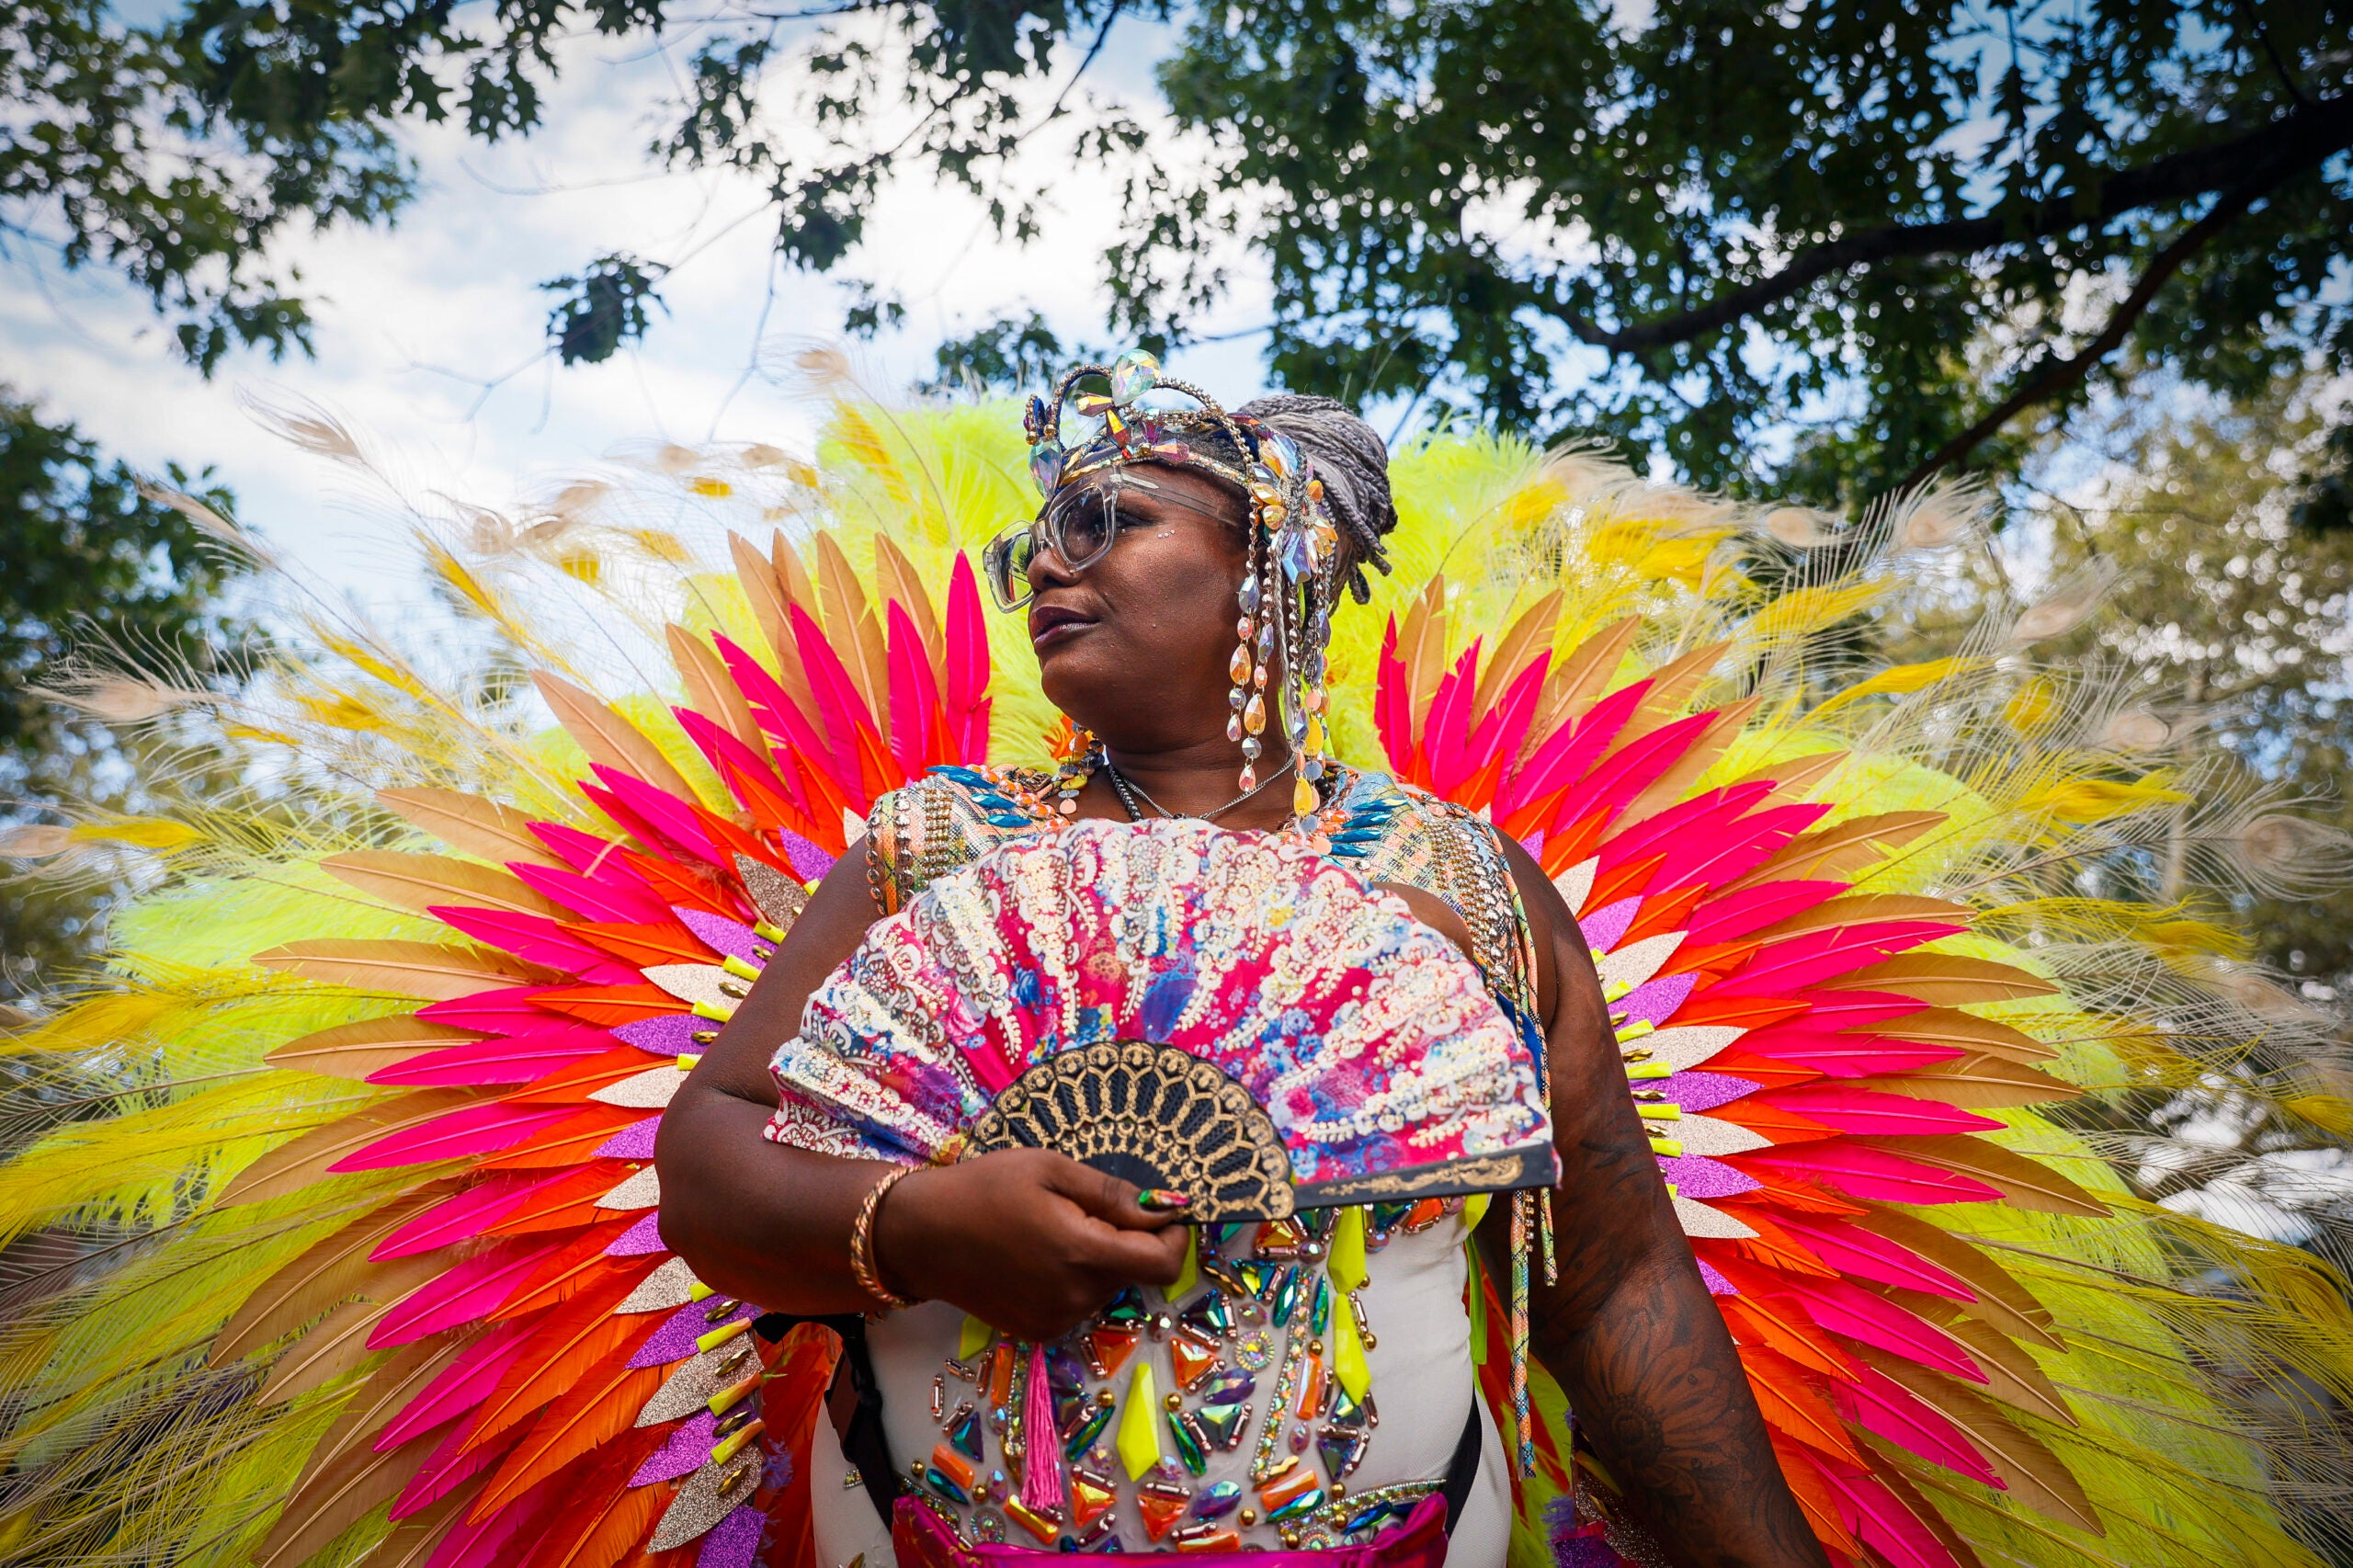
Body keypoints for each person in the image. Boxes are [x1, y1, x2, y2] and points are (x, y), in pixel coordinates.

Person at [655, 359, 1829, 1568]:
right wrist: (912, 1224)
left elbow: (1613, 1282)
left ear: (1280, 553)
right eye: (1034, 544)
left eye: (1106, 520)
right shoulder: (933, 854)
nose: (1049, 565)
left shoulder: (1464, 885)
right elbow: (705, 1160)